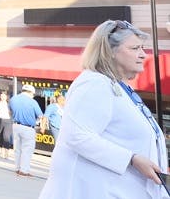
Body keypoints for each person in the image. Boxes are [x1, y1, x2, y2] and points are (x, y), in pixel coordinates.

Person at [40, 20, 167, 198]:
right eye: (134, 48)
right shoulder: (94, 83)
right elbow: (77, 135)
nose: (142, 55)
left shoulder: (118, 87)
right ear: (110, 51)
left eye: (142, 48)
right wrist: (132, 158)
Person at [10, 83, 44, 176]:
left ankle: (17, 168)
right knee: (27, 149)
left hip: (16, 125)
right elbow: (40, 116)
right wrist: (42, 127)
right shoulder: (32, 102)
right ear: (31, 93)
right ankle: (24, 170)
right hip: (28, 128)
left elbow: (11, 111)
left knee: (17, 149)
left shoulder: (13, 99)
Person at [0, 90, 15, 160]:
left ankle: (7, 153)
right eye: (1, 96)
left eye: (4, 96)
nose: (2, 97)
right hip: (0, 120)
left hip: (8, 121)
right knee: (0, 136)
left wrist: (10, 112)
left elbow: (14, 112)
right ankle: (2, 151)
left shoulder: (10, 104)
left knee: (6, 136)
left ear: (6, 97)